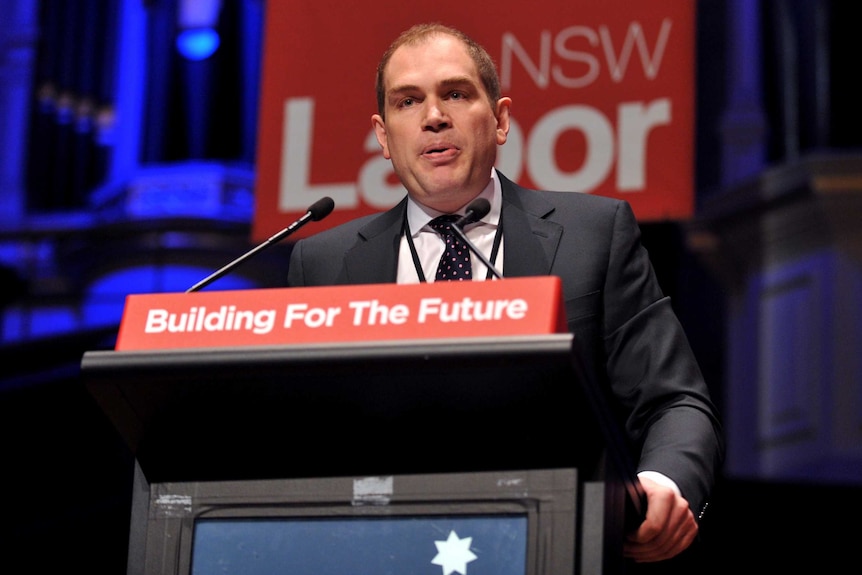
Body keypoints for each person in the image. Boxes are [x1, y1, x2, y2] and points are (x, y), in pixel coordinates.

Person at [287, 22, 724, 566]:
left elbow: (674, 400)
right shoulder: (322, 265)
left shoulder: (593, 234)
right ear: (382, 135)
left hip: (555, 548)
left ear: (500, 120)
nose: (434, 116)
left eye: (455, 93)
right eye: (408, 101)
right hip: (379, 551)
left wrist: (663, 483)